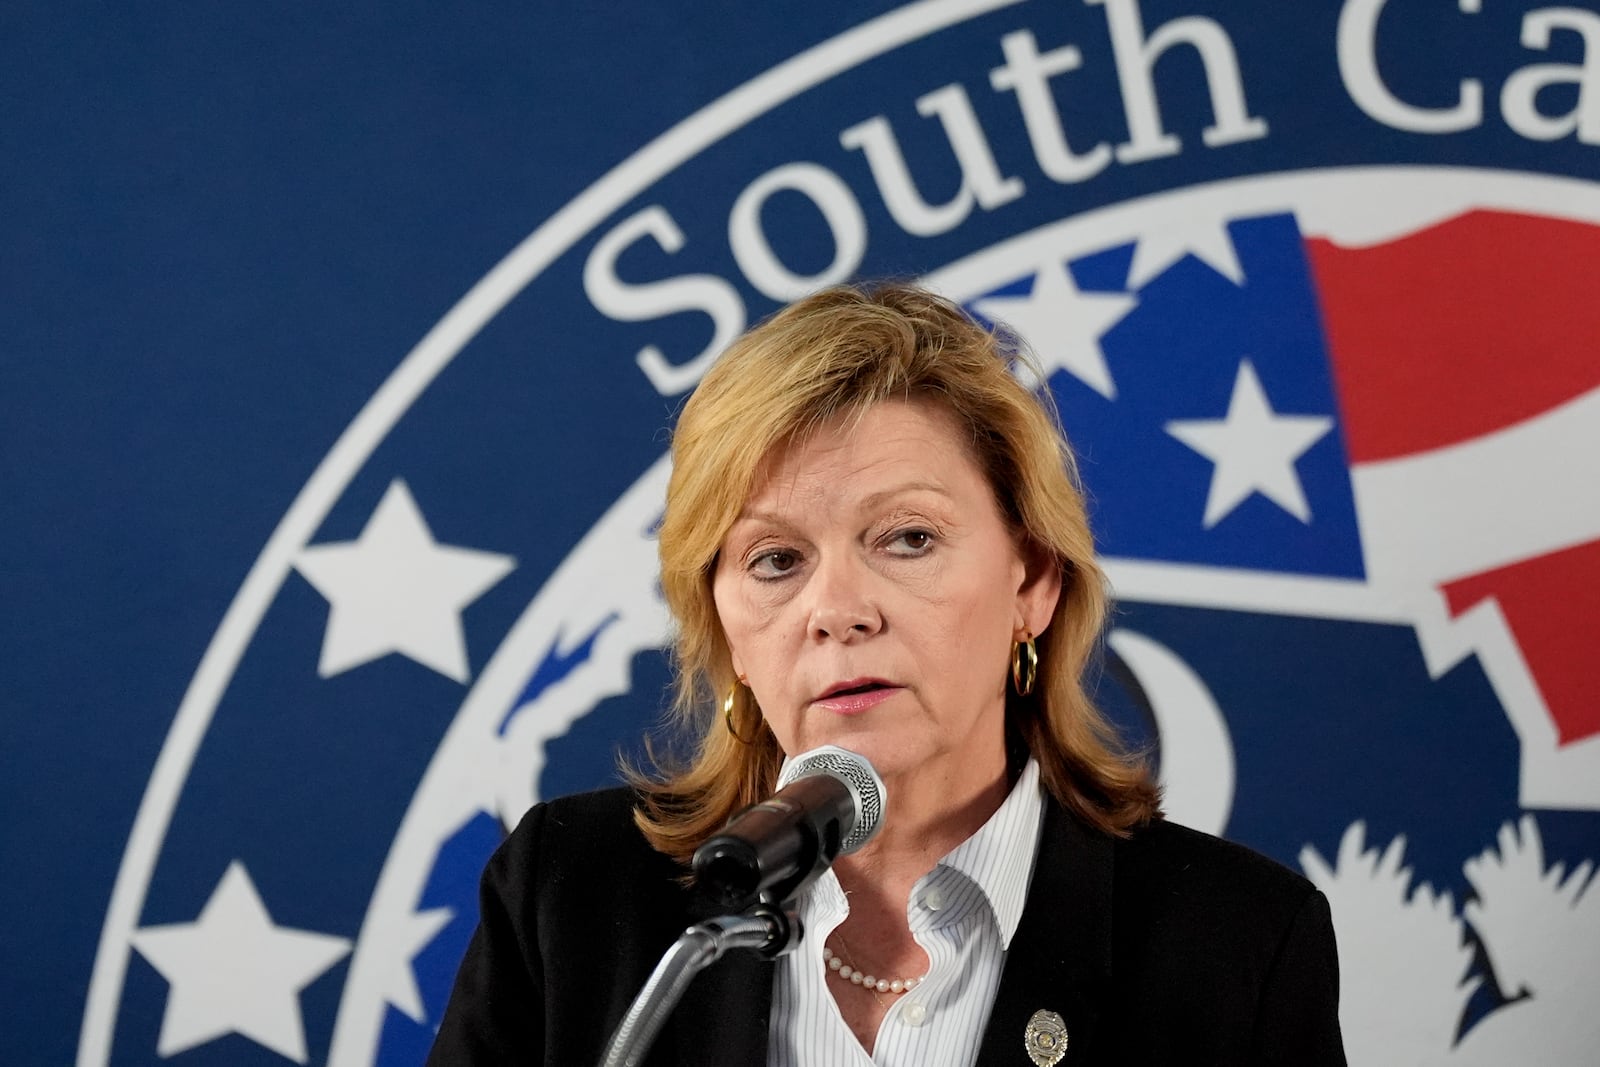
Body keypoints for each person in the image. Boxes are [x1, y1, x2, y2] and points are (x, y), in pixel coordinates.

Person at [427, 283, 1346, 1065]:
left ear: (1032, 582)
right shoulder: (571, 897)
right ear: (725, 631)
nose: (839, 609)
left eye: (908, 538)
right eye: (776, 560)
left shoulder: (1238, 943)